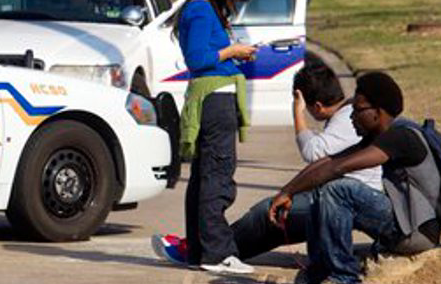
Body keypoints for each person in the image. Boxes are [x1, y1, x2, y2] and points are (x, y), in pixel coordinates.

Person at [153, 62, 383, 263]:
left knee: (267, 214)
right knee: (274, 211)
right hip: (345, 194)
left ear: (316, 106)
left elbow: (313, 152)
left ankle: (213, 251)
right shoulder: (344, 116)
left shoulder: (344, 118)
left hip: (351, 199)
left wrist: (297, 113)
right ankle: (208, 247)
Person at [267, 71, 441, 284]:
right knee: (323, 188)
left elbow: (339, 168)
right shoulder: (380, 136)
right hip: (402, 224)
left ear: (377, 113)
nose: (351, 118)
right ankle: (318, 275)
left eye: (357, 111)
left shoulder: (401, 137)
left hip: (416, 232)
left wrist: (289, 191)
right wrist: (287, 191)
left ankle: (344, 278)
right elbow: (328, 162)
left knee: (339, 189)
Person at [152, 0, 257, 275]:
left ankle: (200, 251)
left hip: (214, 98)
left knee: (204, 178)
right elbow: (198, 58)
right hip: (214, 100)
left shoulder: (202, 7)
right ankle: (217, 253)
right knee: (217, 177)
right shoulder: (200, 8)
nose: (237, 0)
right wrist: (233, 51)